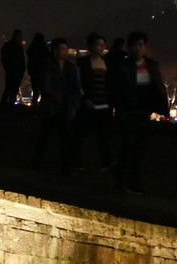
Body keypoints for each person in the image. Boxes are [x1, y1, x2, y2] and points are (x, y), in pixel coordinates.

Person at [110, 31, 168, 194]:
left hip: (143, 113)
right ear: (130, 47)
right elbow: (119, 90)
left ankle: (132, 182)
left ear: (145, 47)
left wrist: (160, 108)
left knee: (139, 149)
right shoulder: (124, 66)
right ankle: (122, 180)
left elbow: (157, 88)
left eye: (141, 45)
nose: (138, 48)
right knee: (128, 147)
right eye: (135, 45)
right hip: (129, 112)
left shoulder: (150, 65)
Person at [31, 37, 80, 175]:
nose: (63, 51)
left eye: (65, 49)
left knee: (64, 139)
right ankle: (36, 162)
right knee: (45, 136)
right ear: (55, 51)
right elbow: (45, 85)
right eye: (60, 49)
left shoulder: (70, 67)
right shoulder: (49, 66)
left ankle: (65, 167)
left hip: (64, 107)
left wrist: (73, 105)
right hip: (51, 107)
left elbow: (75, 87)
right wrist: (55, 95)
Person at [75, 33, 113, 172]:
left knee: (103, 135)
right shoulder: (83, 63)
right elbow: (78, 83)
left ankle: (106, 161)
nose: (101, 47)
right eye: (98, 44)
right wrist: (84, 98)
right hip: (89, 103)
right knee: (81, 134)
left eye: (103, 45)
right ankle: (76, 161)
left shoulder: (106, 63)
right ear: (90, 46)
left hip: (103, 104)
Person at [0, 29, 26, 108]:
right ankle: (10, 106)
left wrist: (6, 67)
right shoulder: (18, 46)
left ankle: (3, 105)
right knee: (13, 90)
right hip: (16, 71)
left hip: (10, 70)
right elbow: (21, 60)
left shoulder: (7, 45)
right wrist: (22, 70)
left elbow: (3, 57)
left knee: (8, 88)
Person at [26, 32, 49, 106]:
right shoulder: (44, 48)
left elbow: (30, 61)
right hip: (42, 73)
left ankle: (34, 109)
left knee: (35, 92)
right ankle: (41, 109)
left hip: (34, 73)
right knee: (43, 92)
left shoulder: (31, 48)